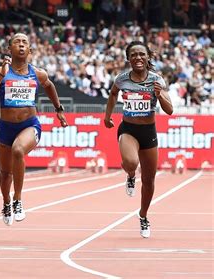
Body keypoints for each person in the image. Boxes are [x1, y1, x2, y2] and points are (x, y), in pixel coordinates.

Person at [0, 33, 68, 226]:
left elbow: (49, 85)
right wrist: (2, 75)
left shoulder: (38, 73)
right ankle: (6, 203)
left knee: (18, 150)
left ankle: (18, 200)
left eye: (24, 42)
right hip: (5, 127)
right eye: (16, 42)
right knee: (5, 173)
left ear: (30, 50)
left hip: (29, 125)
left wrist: (59, 110)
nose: (21, 45)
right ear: (9, 49)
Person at [104, 41, 173, 238]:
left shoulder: (156, 80)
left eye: (141, 54)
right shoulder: (122, 79)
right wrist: (107, 116)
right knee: (131, 162)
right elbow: (113, 94)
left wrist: (159, 95)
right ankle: (131, 175)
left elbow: (169, 110)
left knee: (150, 180)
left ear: (147, 57)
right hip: (129, 129)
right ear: (128, 59)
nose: (138, 58)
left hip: (148, 131)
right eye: (133, 55)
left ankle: (143, 216)